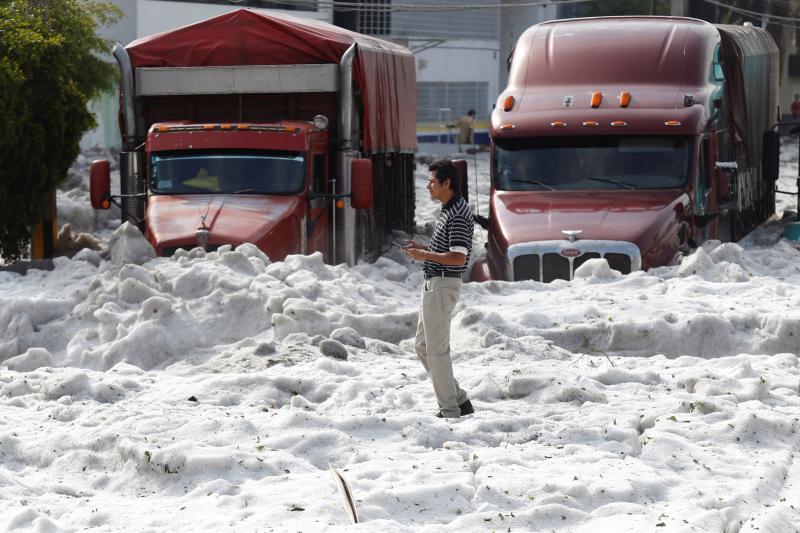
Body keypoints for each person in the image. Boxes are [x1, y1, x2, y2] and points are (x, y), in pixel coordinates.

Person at [403, 160, 474, 418]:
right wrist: (423, 248)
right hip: (436, 282)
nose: (428, 186)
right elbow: (447, 250)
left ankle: (450, 410)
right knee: (423, 346)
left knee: (436, 350)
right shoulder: (449, 209)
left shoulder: (456, 214)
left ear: (447, 183)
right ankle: (459, 400)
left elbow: (457, 258)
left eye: (432, 181)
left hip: (443, 283)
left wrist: (424, 254)